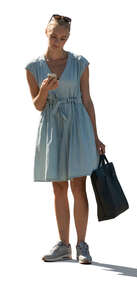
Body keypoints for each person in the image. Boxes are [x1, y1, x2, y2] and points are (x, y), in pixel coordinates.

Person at [25, 14, 106, 264]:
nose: (58, 41)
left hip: (78, 125)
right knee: (58, 187)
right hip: (52, 127)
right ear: (45, 32)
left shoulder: (80, 62)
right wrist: (44, 91)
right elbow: (38, 106)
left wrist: (96, 136)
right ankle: (64, 245)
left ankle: (82, 245)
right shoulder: (33, 67)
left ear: (67, 37)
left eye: (63, 37)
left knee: (78, 186)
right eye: (54, 36)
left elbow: (87, 100)